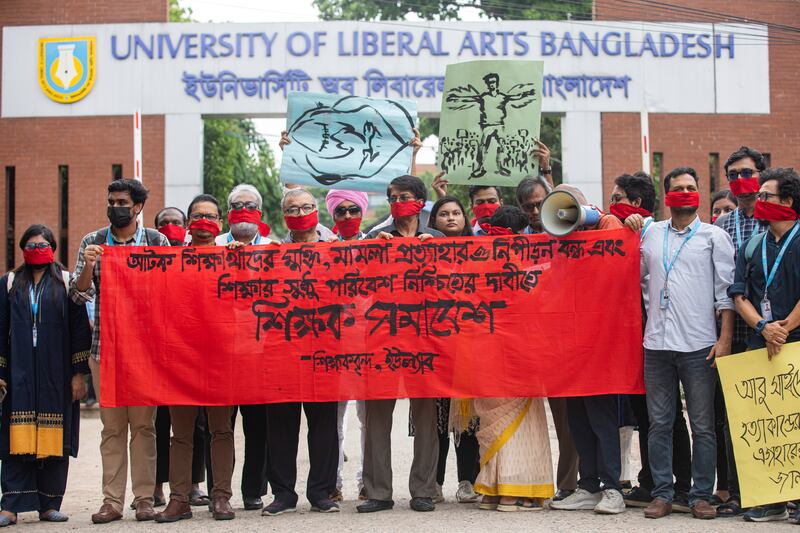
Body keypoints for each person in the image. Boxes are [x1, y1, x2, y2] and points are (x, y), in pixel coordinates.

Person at [69, 179, 170, 523]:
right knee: (112, 428)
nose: (115, 206)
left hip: (145, 350)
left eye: (122, 201)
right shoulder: (93, 242)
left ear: (138, 207)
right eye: (111, 200)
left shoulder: (157, 242)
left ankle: (144, 498)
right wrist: (88, 266)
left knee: (144, 427)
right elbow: (78, 294)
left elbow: (169, 292)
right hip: (105, 350)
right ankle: (111, 501)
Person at [639, 167, 735, 520]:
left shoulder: (714, 236)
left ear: (699, 194)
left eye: (691, 187)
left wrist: (724, 339)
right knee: (660, 423)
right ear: (667, 196)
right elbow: (632, 278)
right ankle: (663, 493)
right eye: (677, 188)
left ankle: (700, 495)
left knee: (703, 425)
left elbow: (725, 294)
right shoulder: (650, 235)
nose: (685, 192)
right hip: (657, 345)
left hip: (700, 345)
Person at [358, 175, 442, 514]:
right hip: (381, 340)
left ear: (420, 202)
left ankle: (423, 490)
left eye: (404, 196)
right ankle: (378, 492)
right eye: (392, 196)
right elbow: (355, 285)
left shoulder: (437, 239)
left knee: (425, 416)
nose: (397, 201)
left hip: (425, 340)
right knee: (377, 417)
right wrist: (371, 254)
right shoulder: (374, 237)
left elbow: (457, 284)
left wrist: (435, 255)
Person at [611, 173, 694, 512]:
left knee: (669, 415)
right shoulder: (617, 232)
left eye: (617, 197)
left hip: (662, 335)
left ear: (636, 204)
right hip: (635, 337)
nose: (610, 202)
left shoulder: (653, 233)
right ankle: (652, 482)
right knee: (648, 416)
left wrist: (637, 226)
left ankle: (684, 486)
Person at [0, 225, 91, 526]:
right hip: (19, 372)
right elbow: (0, 331)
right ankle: (10, 505)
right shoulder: (9, 282)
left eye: (42, 244)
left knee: (55, 438)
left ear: (52, 248)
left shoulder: (66, 283)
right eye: (31, 244)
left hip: (56, 373)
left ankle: (50, 504)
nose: (37, 249)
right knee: (15, 438)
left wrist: (79, 373)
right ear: (23, 249)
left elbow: (80, 330)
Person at [155, 194, 236, 523]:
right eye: (198, 216)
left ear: (220, 223)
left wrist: (243, 263)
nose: (204, 222)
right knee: (181, 432)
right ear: (188, 224)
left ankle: (221, 498)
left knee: (221, 431)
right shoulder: (169, 261)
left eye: (210, 216)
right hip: (181, 359)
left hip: (219, 359)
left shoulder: (232, 259)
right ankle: (179, 500)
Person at [728, 167, 800, 523]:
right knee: (765, 426)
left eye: (765, 196)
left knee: (794, 426)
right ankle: (770, 498)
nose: (758, 202)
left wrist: (784, 328)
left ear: (787, 201)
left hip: (795, 344)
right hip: (761, 344)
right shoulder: (751, 245)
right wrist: (762, 326)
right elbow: (738, 294)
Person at [472, 205, 555, 512]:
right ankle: (512, 491)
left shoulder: (475, 259)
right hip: (520, 354)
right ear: (522, 234)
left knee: (492, 418)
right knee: (522, 424)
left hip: (483, 354)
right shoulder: (530, 264)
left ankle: (492, 491)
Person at [262, 189, 338, 516]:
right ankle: (282, 494)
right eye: (293, 208)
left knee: (323, 425)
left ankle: (321, 493)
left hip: (325, 349)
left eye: (306, 206)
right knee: (280, 425)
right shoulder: (271, 252)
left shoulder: (338, 249)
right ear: (283, 216)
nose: (301, 212)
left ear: (317, 209)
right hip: (281, 351)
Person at [551, 190, 626, 515]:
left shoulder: (605, 224)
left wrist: (591, 217)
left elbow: (614, 252)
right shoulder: (557, 236)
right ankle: (588, 485)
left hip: (602, 342)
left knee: (601, 417)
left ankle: (612, 488)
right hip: (570, 345)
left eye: (570, 205)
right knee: (578, 417)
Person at [514, 175, 577, 500]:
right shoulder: (514, 241)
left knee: (566, 417)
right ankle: (524, 483)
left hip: (563, 341)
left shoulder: (572, 232)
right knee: (523, 416)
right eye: (529, 207)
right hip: (525, 342)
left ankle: (567, 485)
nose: (536, 211)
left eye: (541, 203)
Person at [713, 146, 768, 518]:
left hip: (774, 328)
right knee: (733, 415)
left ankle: (777, 490)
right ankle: (734, 490)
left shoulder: (780, 221)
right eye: (733, 176)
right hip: (731, 331)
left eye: (746, 173)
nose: (739, 181)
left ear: (761, 176)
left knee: (773, 411)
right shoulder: (721, 227)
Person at [215, 184, 270, 510]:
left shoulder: (274, 248)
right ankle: (219, 492)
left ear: (260, 212)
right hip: (220, 350)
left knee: (257, 426)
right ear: (228, 212)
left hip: (258, 350)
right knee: (220, 425)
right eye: (237, 205)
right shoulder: (212, 246)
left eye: (250, 204)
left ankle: (253, 491)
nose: (244, 209)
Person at [424, 196, 480, 504]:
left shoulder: (480, 251)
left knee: (467, 418)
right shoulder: (422, 252)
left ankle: (467, 481)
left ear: (465, 218)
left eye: (456, 212)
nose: (450, 218)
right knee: (436, 420)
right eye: (443, 213)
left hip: (469, 349)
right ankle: (434, 482)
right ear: (432, 221)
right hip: (434, 349)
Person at [153, 207, 209, 509]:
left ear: (185, 226)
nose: (170, 227)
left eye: (176, 222)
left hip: (194, 351)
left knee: (197, 423)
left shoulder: (196, 255)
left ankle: (194, 484)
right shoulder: (146, 259)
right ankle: (158, 486)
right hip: (160, 352)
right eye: (164, 223)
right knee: (161, 422)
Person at [323, 189, 370, 501]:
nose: (348, 217)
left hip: (369, 342)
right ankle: (333, 483)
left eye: (354, 210)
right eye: (341, 211)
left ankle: (368, 480)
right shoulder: (322, 248)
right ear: (333, 216)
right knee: (334, 419)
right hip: (332, 344)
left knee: (369, 419)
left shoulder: (376, 246)